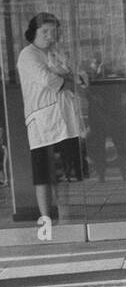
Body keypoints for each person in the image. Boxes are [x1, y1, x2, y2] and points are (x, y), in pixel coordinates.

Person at [16, 13, 83, 222]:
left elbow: (78, 76)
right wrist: (67, 78)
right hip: (42, 123)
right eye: (44, 31)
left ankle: (64, 213)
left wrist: (68, 77)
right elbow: (48, 80)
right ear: (33, 32)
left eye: (53, 31)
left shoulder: (57, 52)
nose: (49, 35)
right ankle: (45, 217)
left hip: (65, 119)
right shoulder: (28, 55)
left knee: (63, 173)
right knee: (43, 174)